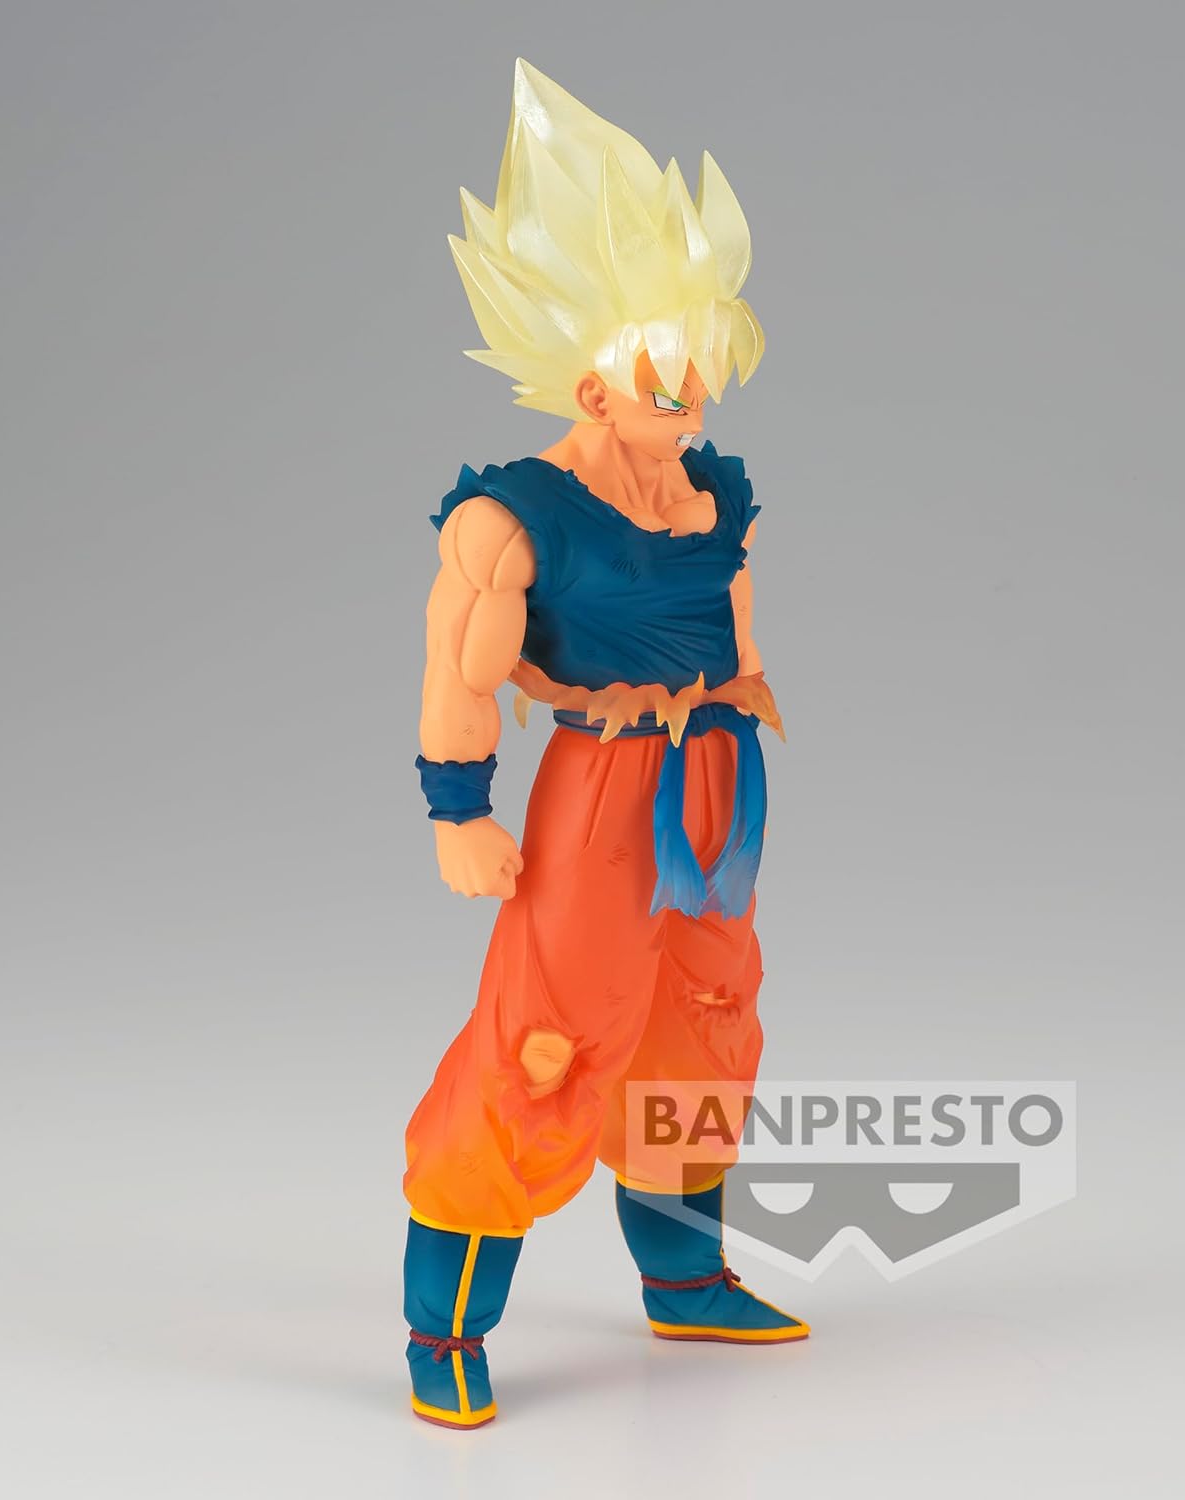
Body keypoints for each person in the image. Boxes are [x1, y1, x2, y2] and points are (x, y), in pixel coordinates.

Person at [402, 59, 806, 1431]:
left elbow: (732, 622)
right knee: (549, 1038)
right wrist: (460, 806)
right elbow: (459, 667)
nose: (690, 398)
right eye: (662, 376)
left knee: (703, 1023)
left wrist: (741, 722)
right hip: (597, 790)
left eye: (699, 372)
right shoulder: (512, 514)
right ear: (593, 382)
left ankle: (685, 1278)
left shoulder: (712, 493)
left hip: (716, 781)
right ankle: (444, 1323)